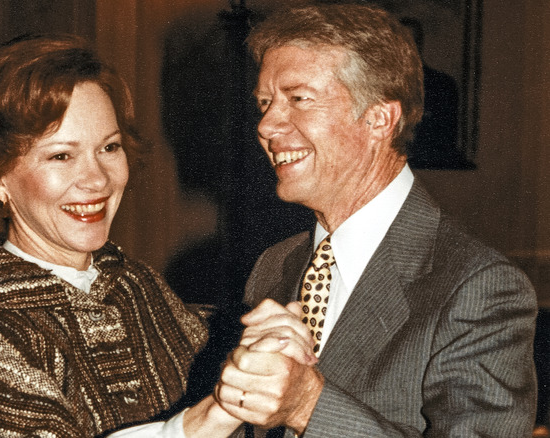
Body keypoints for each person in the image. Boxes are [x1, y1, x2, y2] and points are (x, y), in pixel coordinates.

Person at [209, 3, 538, 437]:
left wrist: (308, 405)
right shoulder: (275, 265)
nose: (267, 125)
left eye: (299, 99)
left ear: (380, 119)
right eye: (266, 102)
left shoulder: (480, 288)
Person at [0, 35, 211, 437]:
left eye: (110, 147)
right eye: (61, 155)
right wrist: (196, 426)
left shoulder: (139, 289)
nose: (97, 178)